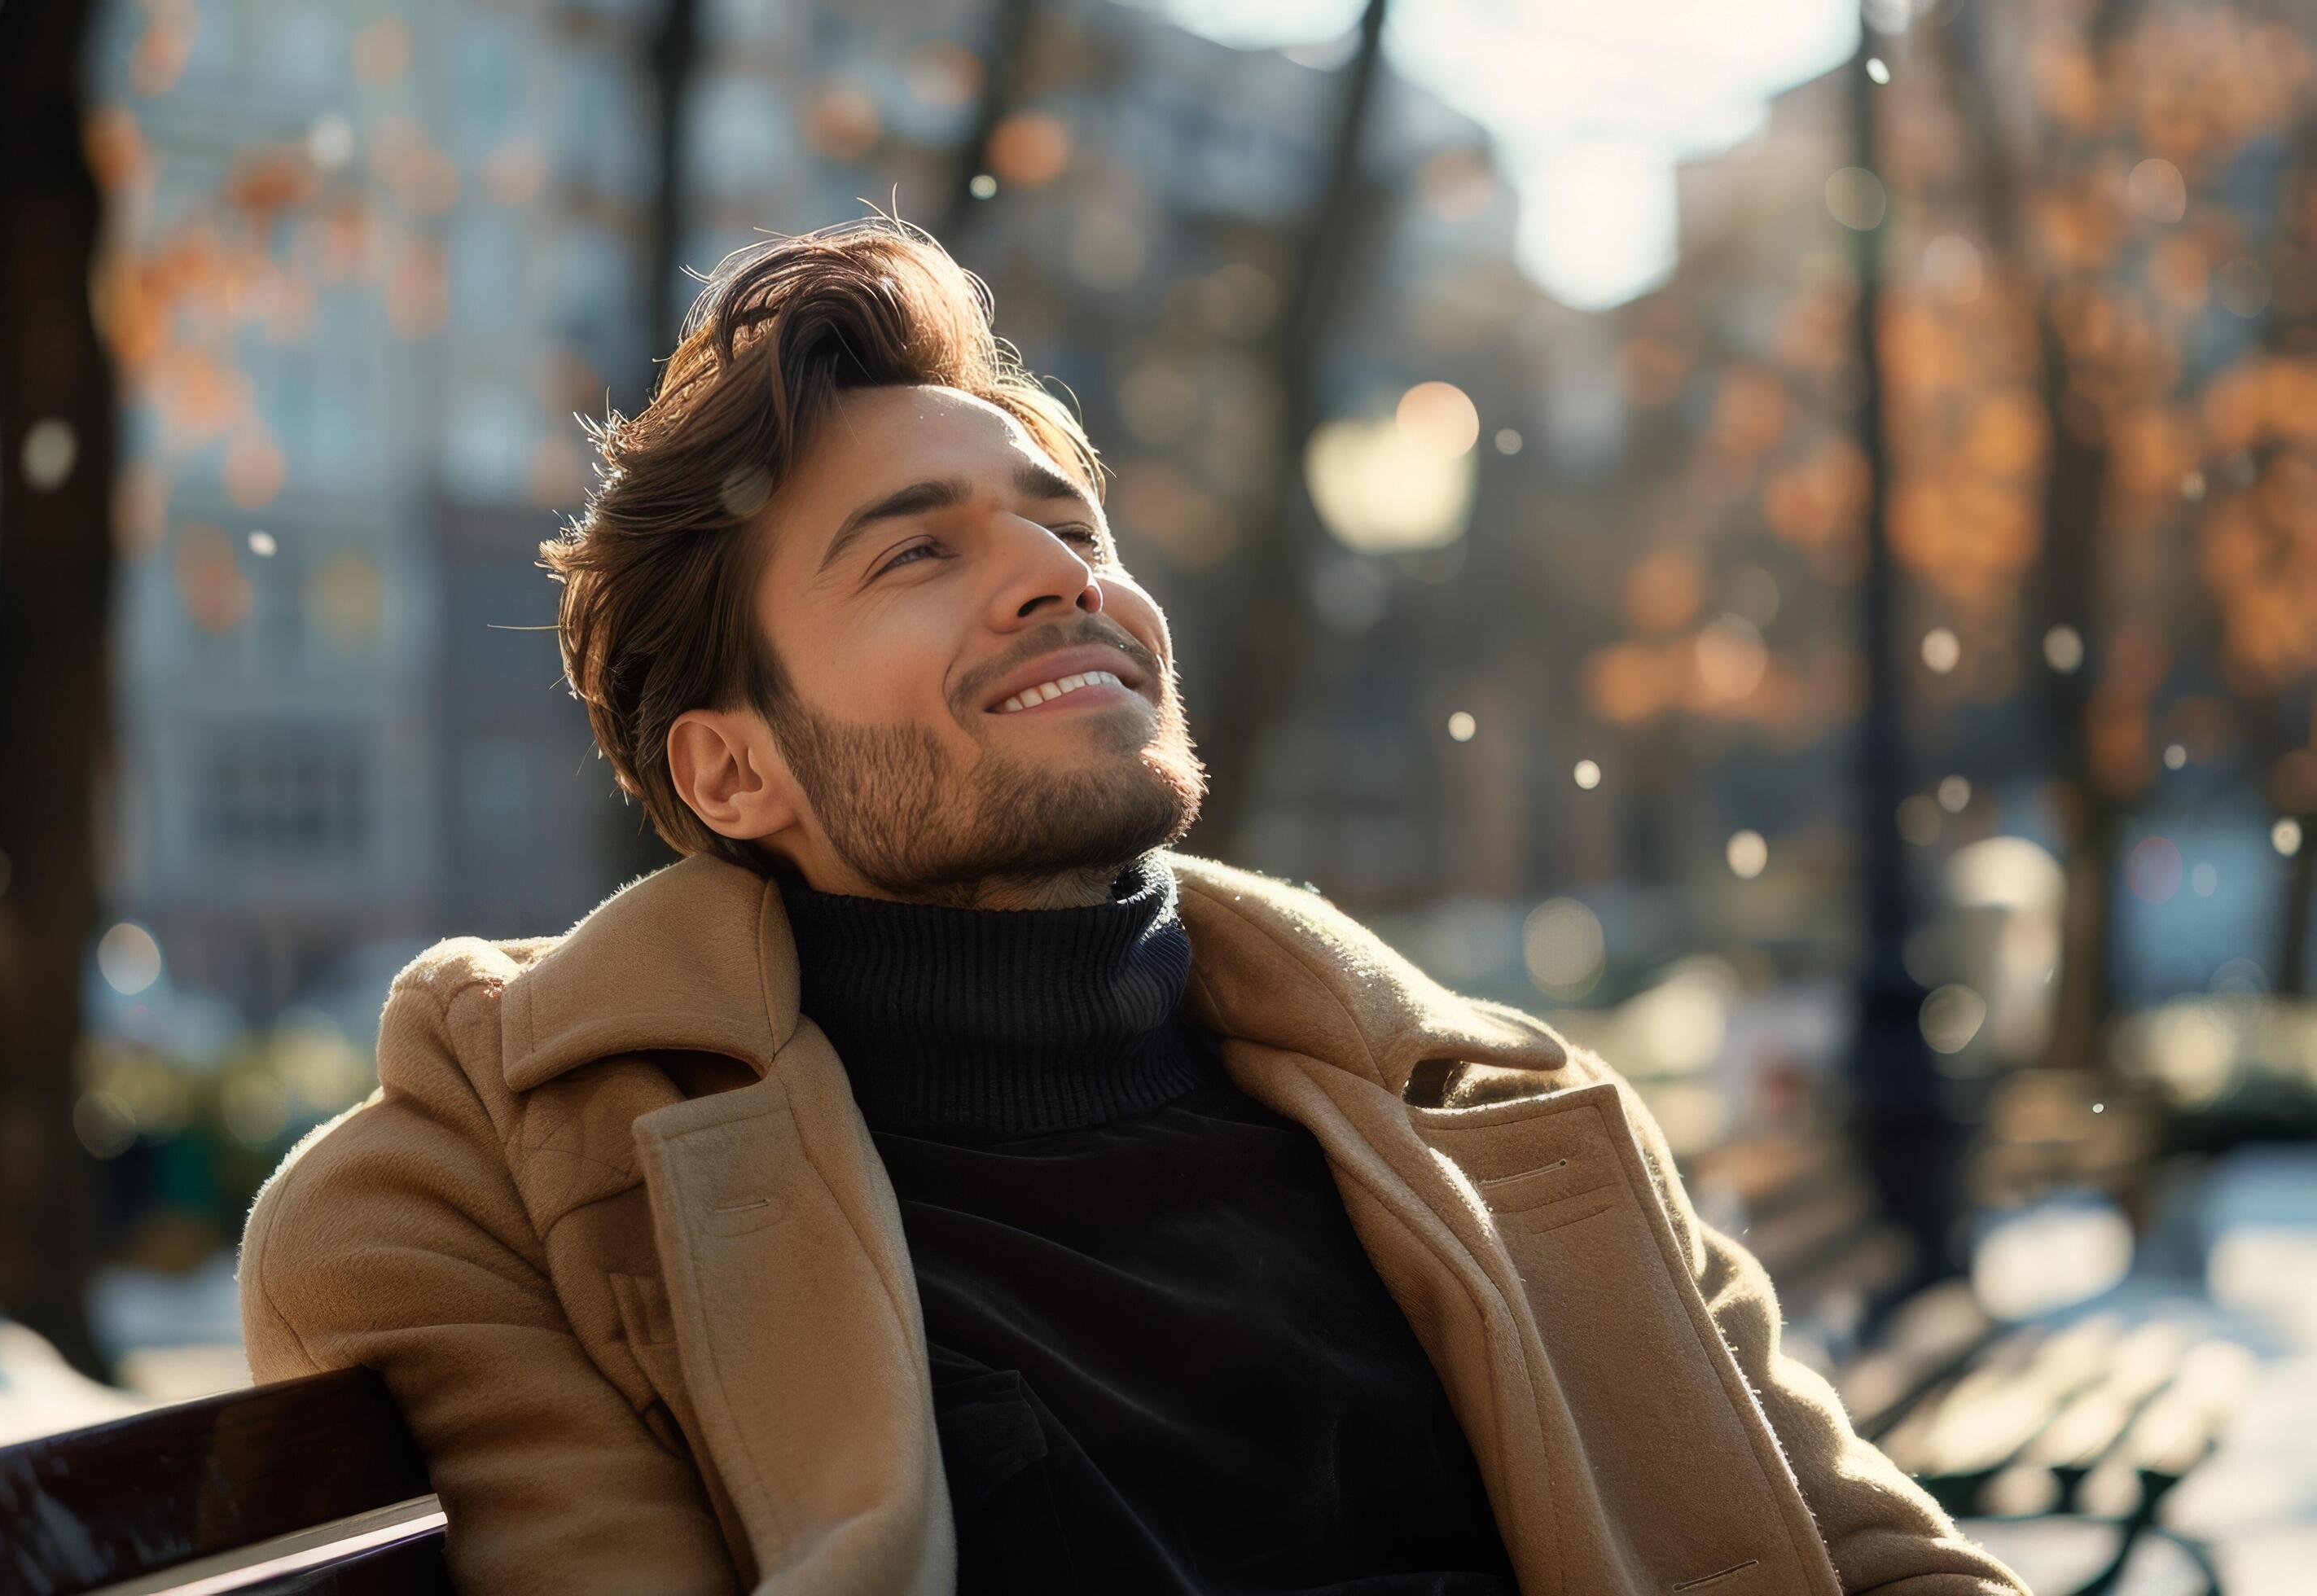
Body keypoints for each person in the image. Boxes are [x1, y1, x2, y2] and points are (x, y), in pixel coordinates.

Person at [237, 217, 2029, 1595]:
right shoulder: (487, 1194)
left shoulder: (1483, 1106)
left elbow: (1873, 1557)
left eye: (1072, 526)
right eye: (918, 551)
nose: (1060, 579)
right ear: (731, 772)